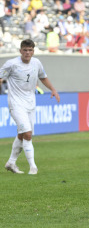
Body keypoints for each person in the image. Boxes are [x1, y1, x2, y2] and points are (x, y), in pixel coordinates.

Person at [0, 39, 60, 175]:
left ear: (33, 51)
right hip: (16, 103)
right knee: (27, 133)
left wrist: (53, 89)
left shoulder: (36, 63)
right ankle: (33, 167)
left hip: (31, 103)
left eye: (30, 50)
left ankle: (11, 162)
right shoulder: (12, 64)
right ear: (20, 51)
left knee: (22, 134)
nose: (27, 53)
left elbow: (43, 77)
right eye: (25, 50)